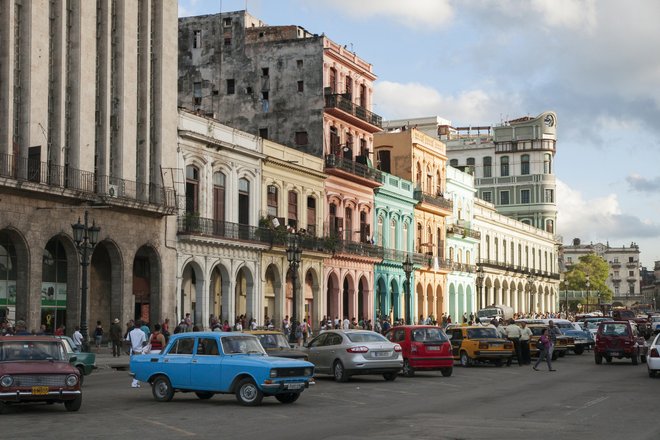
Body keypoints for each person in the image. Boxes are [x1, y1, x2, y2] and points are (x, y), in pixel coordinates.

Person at [127, 320, 147, 387]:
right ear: (141, 326)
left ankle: (136, 382)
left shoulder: (130, 332)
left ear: (134, 325)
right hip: (139, 352)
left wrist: (132, 345)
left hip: (132, 351)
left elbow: (127, 342)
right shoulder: (142, 333)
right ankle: (134, 383)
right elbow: (144, 343)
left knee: (134, 367)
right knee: (139, 368)